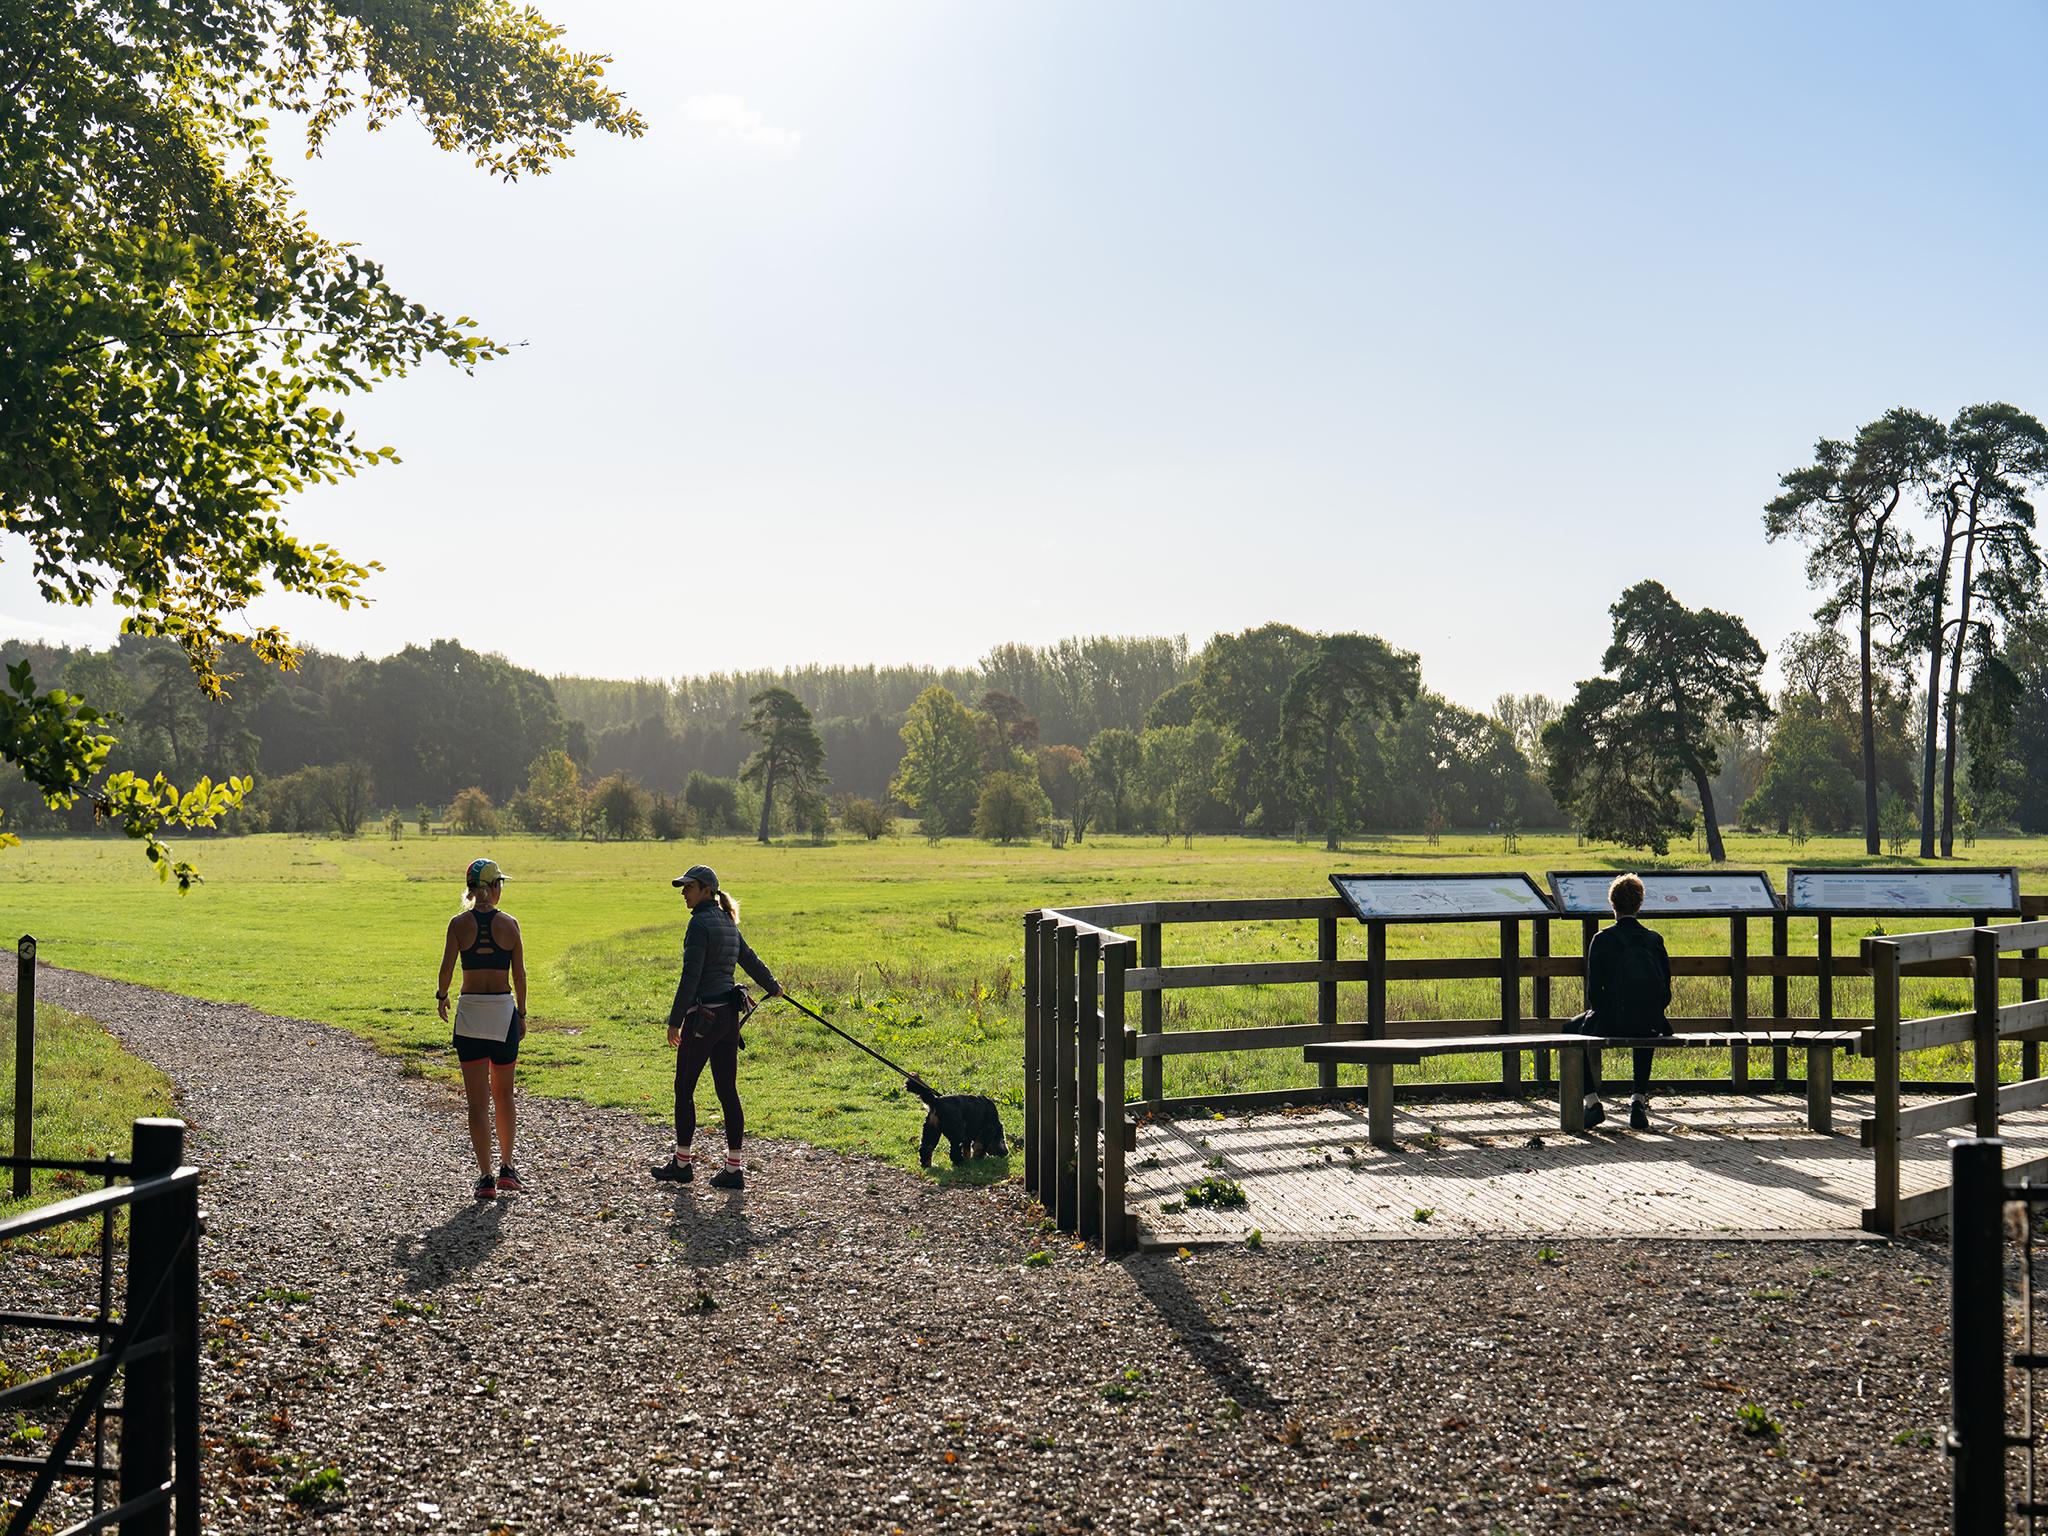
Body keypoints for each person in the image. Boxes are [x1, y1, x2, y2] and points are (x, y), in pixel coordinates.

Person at [652, 864, 782, 1190]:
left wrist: (674, 1021)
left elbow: (690, 978)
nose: (684, 893)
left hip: (703, 1020)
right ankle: (734, 1168)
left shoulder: (699, 924)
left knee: (684, 1088)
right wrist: (773, 985)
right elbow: (749, 959)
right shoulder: (726, 921)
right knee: (727, 1091)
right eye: (683, 887)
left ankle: (682, 1164)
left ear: (707, 890)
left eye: (689, 887)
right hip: (728, 1020)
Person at [436, 858, 527, 1201]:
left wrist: (442, 996)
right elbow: (519, 976)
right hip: (503, 1012)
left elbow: (447, 968)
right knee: (504, 1095)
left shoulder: (458, 924)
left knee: (477, 1101)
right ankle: (507, 1168)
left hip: (472, 1013)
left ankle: (485, 1176)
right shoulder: (510, 924)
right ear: (492, 888)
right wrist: (523, 1013)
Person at [1568, 872, 1672, 1130]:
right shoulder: (1653, 939)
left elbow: (1594, 994)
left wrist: (1605, 1014)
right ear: (1640, 904)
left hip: (1612, 1022)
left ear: (1612, 903)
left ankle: (1592, 1103)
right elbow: (1665, 992)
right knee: (1647, 1024)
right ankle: (1638, 1100)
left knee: (1568, 1030)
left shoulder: (1602, 939)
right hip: (1649, 1023)